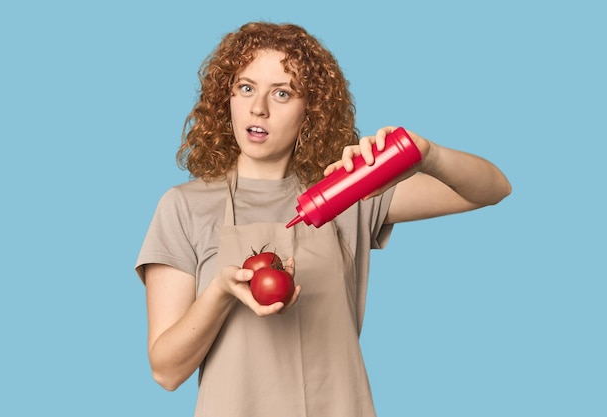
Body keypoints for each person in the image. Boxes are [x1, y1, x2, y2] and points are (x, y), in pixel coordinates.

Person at [135, 21, 511, 417]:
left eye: (282, 93)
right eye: (246, 88)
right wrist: (220, 292)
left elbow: (492, 189)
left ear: (310, 112)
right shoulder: (183, 206)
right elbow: (166, 371)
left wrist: (426, 153)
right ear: (225, 97)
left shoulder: (347, 193)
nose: (258, 108)